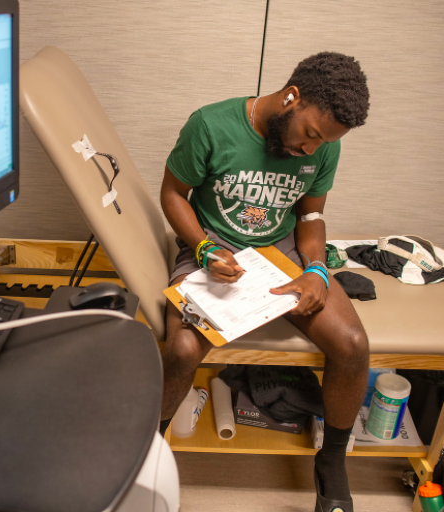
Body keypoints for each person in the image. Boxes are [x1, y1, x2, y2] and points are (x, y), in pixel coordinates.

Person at [160, 52, 370, 512]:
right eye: (310, 134)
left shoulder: (324, 144)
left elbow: (311, 214)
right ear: (291, 97)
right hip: (212, 245)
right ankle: (148, 447)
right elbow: (173, 194)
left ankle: (332, 459)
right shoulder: (211, 125)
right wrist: (202, 248)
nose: (312, 149)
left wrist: (315, 269)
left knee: (352, 343)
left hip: (284, 252)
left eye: (325, 142)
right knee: (181, 350)